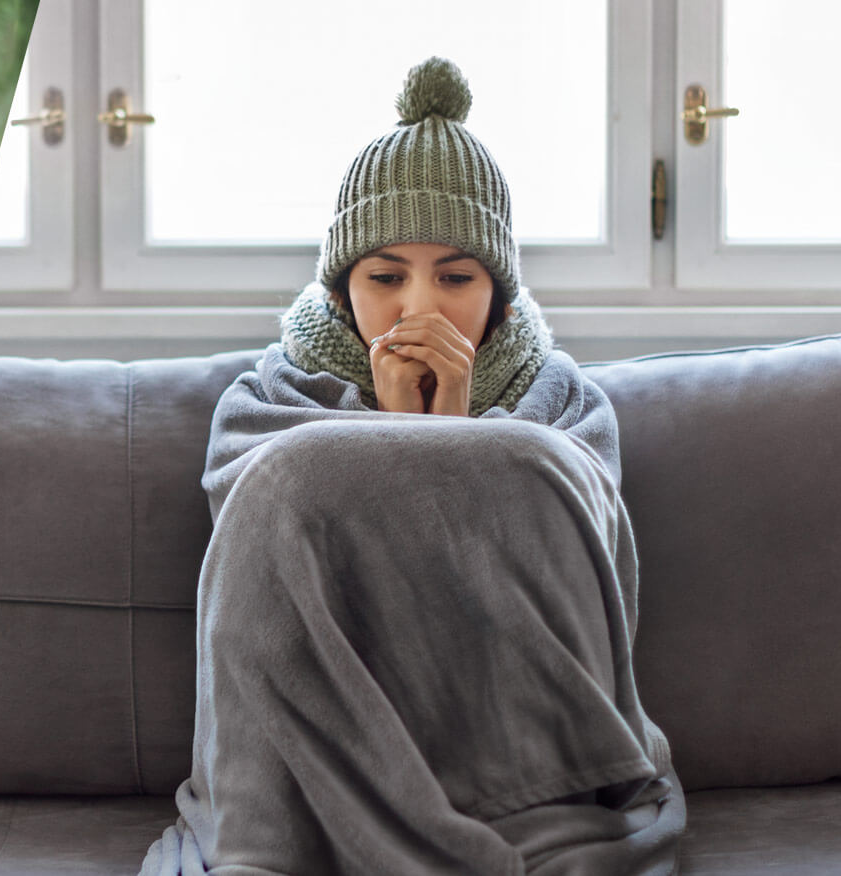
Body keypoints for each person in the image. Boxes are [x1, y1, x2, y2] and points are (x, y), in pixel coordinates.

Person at [141, 59, 685, 875]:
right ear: (341, 291)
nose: (420, 307)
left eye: (456, 277)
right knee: (289, 473)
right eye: (385, 277)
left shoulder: (566, 406)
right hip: (318, 760)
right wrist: (396, 431)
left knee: (534, 463)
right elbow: (263, 560)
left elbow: (575, 569)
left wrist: (453, 431)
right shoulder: (267, 404)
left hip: (506, 749)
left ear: (499, 294)